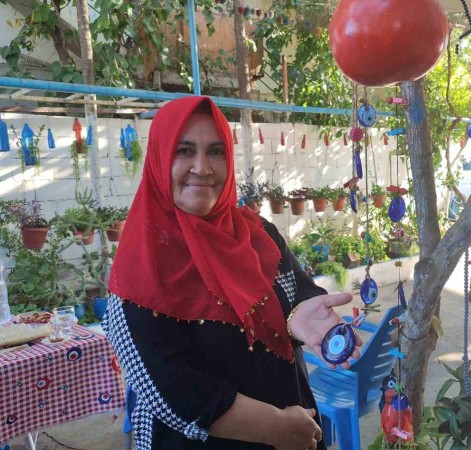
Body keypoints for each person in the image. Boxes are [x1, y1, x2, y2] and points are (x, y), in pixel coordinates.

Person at [103, 96, 362, 450]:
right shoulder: (138, 270)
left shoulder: (259, 234)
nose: (202, 168)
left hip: (293, 429)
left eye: (215, 151)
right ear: (160, 159)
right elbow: (169, 390)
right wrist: (276, 429)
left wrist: (300, 314)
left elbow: (298, 292)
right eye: (184, 151)